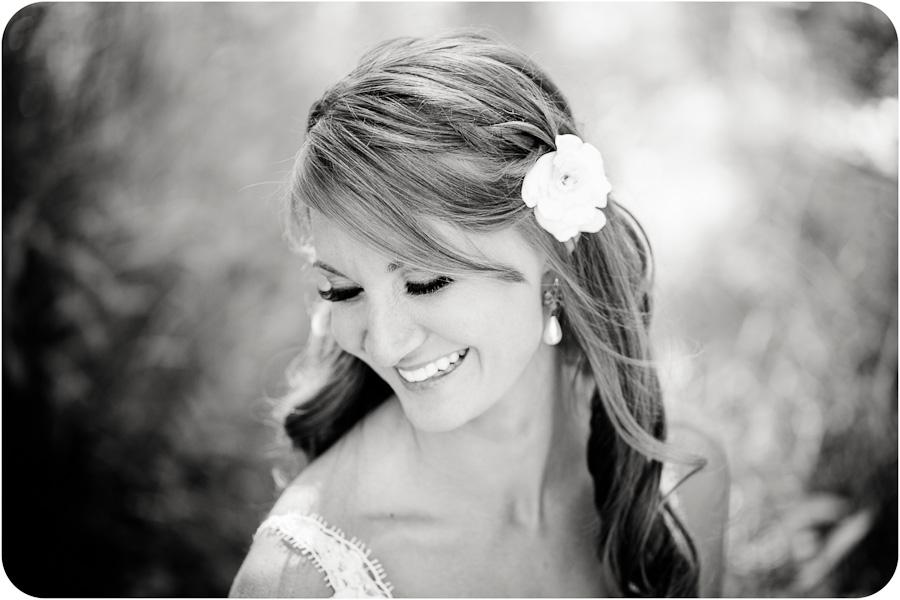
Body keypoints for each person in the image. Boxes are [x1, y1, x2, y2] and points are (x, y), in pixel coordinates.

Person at [230, 32, 729, 598]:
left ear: (554, 256)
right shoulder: (299, 579)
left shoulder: (682, 481)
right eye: (342, 290)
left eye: (427, 281)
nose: (387, 345)